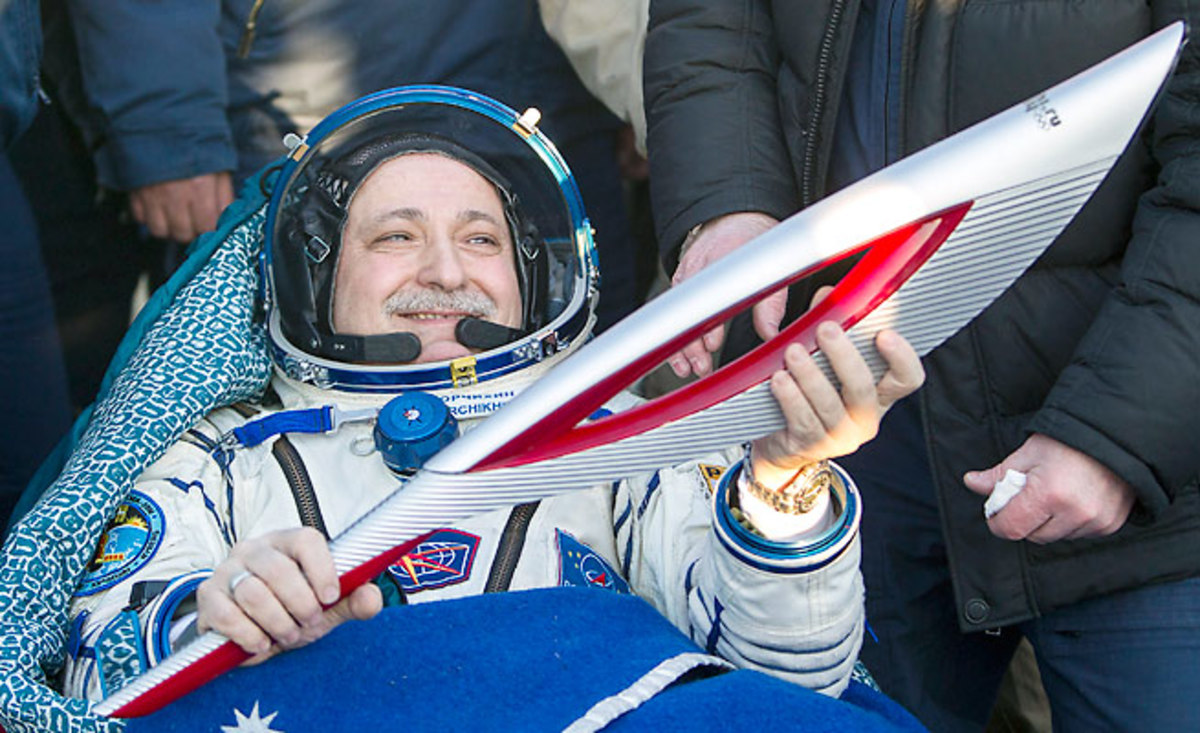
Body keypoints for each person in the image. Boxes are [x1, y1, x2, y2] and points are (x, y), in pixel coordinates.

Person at [0, 87, 923, 730]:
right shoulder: (218, 456)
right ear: (314, 280)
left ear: (531, 282)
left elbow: (788, 683)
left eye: (480, 239)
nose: (445, 271)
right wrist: (217, 611)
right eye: (397, 236)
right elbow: (89, 681)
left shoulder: (623, 436)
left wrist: (783, 484)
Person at [644, 3, 1200, 731]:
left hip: (1131, 441)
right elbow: (712, 24)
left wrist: (1118, 434)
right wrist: (729, 200)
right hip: (849, 427)